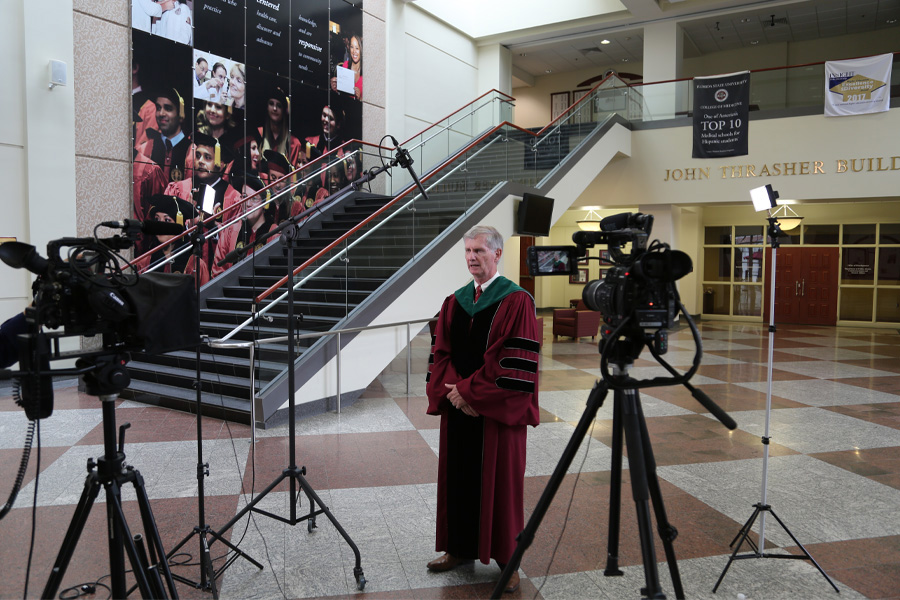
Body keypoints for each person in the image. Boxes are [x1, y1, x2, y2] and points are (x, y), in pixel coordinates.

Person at [425, 225, 540, 595]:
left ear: (497, 254)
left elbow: (514, 363)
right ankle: (458, 549)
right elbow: (440, 354)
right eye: (468, 251)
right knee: (458, 478)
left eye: (479, 251)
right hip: (460, 412)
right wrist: (456, 393)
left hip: (495, 415)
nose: (472, 257)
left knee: (502, 487)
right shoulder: (454, 302)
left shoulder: (518, 301)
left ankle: (509, 561)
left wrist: (470, 394)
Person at [134, 195, 209, 285]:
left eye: (167, 220)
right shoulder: (144, 262)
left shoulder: (194, 265)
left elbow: (203, 295)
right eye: (157, 219)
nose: (160, 226)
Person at [212, 172, 275, 277]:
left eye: (254, 198)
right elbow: (218, 269)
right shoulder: (230, 231)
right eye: (244, 197)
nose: (248, 203)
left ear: (265, 203)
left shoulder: (274, 234)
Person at [138, 87, 191, 184]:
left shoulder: (192, 151)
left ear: (180, 114)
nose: (161, 113)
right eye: (158, 108)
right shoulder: (145, 149)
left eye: (168, 108)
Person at [259, 86, 302, 166]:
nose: (274, 108)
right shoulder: (259, 133)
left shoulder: (293, 143)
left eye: (279, 105)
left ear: (284, 110)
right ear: (267, 107)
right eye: (271, 104)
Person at [330, 34, 363, 100]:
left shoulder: (367, 73)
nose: (354, 51)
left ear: (361, 50)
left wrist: (360, 98)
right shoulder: (345, 65)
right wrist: (335, 87)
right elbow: (341, 94)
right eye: (351, 47)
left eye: (357, 48)